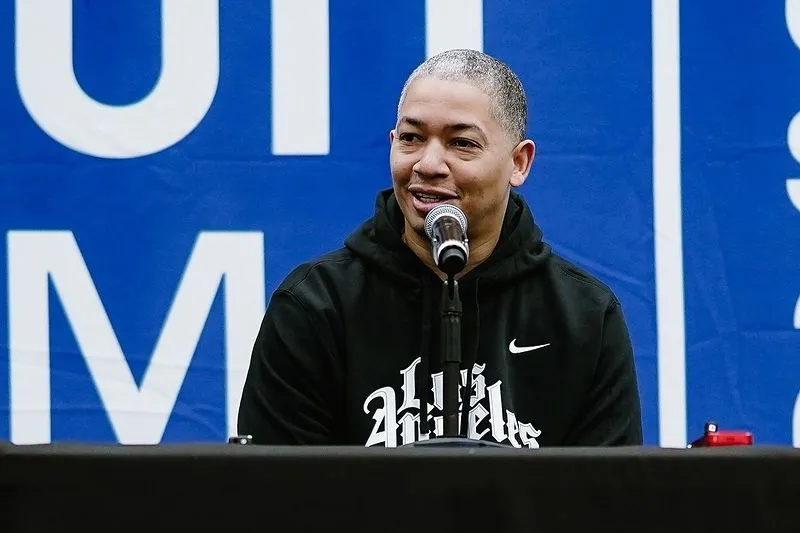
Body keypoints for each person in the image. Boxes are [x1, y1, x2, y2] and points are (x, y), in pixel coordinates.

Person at [237, 49, 643, 447]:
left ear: (519, 163)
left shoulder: (585, 315)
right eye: (411, 138)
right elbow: (275, 499)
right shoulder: (315, 305)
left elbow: (607, 501)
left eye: (462, 143)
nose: (428, 164)